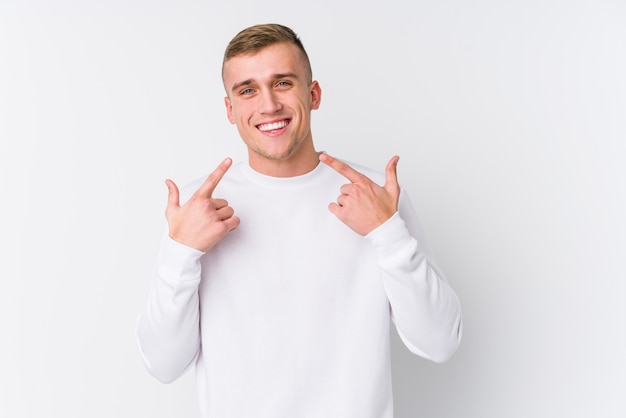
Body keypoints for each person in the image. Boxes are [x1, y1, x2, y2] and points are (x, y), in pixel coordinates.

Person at [136, 23, 462, 418]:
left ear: (314, 93)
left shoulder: (375, 196)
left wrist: (388, 233)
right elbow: (164, 365)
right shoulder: (197, 207)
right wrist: (180, 254)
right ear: (230, 109)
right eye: (248, 90)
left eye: (283, 83)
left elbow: (440, 342)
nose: (268, 104)